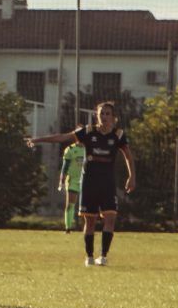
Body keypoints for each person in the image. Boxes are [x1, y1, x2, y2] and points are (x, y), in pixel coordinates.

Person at [27, 101, 136, 265]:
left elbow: (128, 155)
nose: (104, 117)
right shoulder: (88, 132)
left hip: (107, 184)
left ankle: (104, 256)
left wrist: (132, 176)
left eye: (108, 114)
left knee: (110, 218)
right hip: (89, 183)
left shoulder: (118, 135)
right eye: (101, 114)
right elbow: (64, 137)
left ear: (114, 118)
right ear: (96, 116)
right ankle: (90, 257)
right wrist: (38, 139)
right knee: (90, 221)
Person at [58, 140, 86, 232]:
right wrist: (61, 180)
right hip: (73, 180)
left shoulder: (89, 149)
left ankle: (85, 229)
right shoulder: (70, 149)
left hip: (85, 180)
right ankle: (68, 227)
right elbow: (64, 167)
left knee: (85, 207)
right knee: (71, 204)